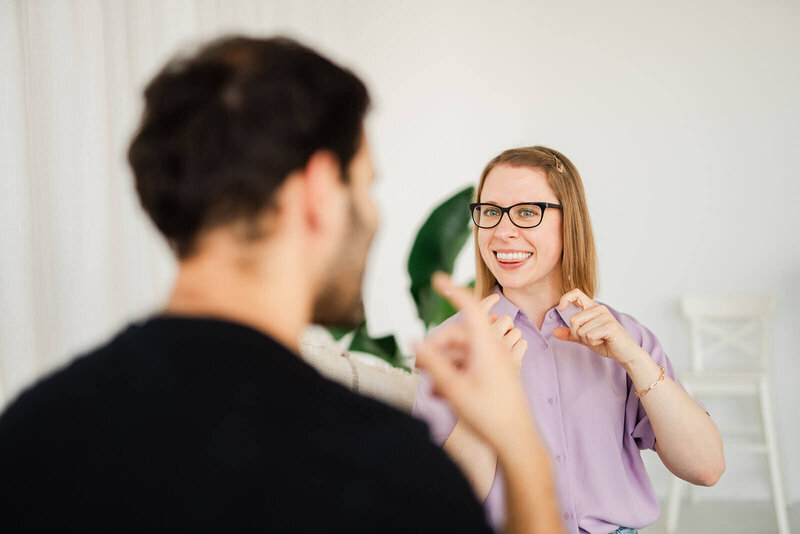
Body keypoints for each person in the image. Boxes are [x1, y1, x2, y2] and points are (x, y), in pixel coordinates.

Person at [0, 37, 565, 533]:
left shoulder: (33, 430)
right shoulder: (378, 466)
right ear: (320, 191)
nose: (372, 215)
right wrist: (520, 446)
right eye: (366, 187)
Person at [413, 146, 726, 534]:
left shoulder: (624, 336)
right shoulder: (451, 344)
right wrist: (488, 396)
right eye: (490, 211)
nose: (502, 231)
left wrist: (636, 361)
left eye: (527, 212)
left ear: (570, 222)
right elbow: (439, 504)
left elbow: (706, 468)